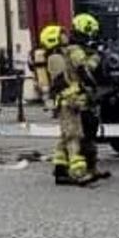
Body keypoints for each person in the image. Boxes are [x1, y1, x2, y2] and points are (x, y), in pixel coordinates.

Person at [41, 24, 96, 186]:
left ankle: (60, 169)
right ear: (54, 39)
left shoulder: (60, 55)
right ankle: (78, 172)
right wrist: (75, 96)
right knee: (73, 136)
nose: (66, 36)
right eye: (62, 34)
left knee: (65, 136)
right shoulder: (56, 58)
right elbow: (61, 83)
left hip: (69, 100)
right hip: (68, 101)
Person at [68, 13, 109, 181]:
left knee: (91, 132)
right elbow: (85, 70)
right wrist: (97, 57)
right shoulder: (75, 51)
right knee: (82, 134)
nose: (93, 37)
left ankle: (92, 167)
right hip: (78, 98)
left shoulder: (81, 49)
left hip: (86, 97)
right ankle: (80, 169)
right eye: (91, 33)